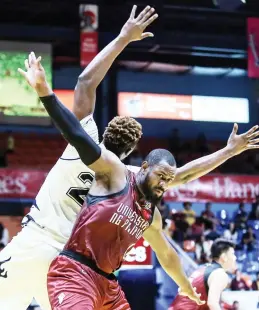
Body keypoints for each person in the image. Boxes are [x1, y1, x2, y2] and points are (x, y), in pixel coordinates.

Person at [11, 5, 259, 309]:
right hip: (67, 260)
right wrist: (228, 151)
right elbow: (184, 175)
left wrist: (123, 38)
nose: (164, 182)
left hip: (51, 251)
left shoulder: (105, 159)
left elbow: (85, 84)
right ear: (135, 158)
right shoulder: (120, 171)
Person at [169, 238, 237, 310]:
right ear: (224, 257)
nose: (235, 258)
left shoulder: (202, 268)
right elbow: (212, 304)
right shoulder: (220, 273)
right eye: (232, 254)